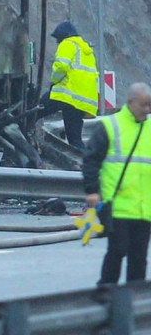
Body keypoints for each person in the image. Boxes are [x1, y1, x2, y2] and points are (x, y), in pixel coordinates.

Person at [83, 82, 151, 285]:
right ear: (130, 103)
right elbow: (91, 160)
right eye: (143, 105)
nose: (147, 110)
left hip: (144, 207)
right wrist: (92, 190)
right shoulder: (111, 126)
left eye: (150, 105)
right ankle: (106, 291)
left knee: (139, 258)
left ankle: (135, 303)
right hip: (117, 205)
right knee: (118, 250)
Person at [40, 21, 98, 150]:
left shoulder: (67, 44)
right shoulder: (86, 51)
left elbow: (61, 66)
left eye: (58, 40)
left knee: (35, 110)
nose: (57, 43)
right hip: (80, 101)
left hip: (65, 95)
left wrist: (54, 81)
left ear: (62, 37)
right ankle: (85, 164)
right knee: (75, 139)